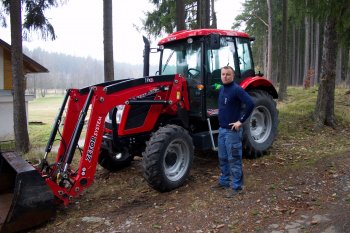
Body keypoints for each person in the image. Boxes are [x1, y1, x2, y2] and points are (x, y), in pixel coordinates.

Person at [211, 66, 255, 198]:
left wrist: (240, 121)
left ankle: (237, 187)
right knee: (223, 158)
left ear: (233, 76)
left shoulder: (237, 89)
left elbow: (251, 104)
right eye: (223, 74)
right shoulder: (223, 88)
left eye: (228, 74)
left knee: (234, 160)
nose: (225, 76)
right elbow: (217, 86)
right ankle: (225, 181)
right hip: (222, 130)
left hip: (232, 132)